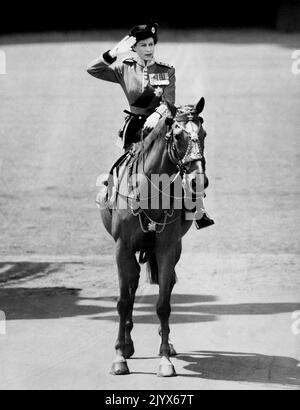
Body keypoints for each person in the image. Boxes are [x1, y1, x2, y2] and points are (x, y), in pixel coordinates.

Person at [87, 22, 214, 229]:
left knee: (183, 161)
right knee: (123, 165)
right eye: (143, 45)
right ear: (134, 48)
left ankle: (197, 209)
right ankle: (113, 197)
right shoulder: (124, 69)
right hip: (136, 129)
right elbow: (93, 69)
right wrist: (112, 53)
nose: (148, 49)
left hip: (161, 124)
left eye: (151, 45)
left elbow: (169, 101)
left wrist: (157, 114)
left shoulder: (166, 70)